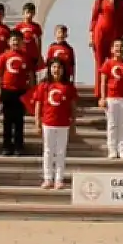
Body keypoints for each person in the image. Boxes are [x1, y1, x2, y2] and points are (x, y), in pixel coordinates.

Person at [34, 59, 78, 189]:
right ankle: (48, 178)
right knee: (48, 151)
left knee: (60, 152)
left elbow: (73, 106)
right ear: (50, 69)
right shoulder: (44, 85)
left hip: (63, 123)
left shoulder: (68, 87)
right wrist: (37, 122)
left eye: (59, 67)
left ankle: (59, 178)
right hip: (48, 122)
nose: (56, 70)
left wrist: (73, 123)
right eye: (53, 67)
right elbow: (38, 104)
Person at [89, 0, 123, 98]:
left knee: (113, 63)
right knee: (100, 63)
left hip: (115, 35)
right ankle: (99, 93)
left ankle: (112, 91)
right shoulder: (99, 0)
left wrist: (122, 37)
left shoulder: (120, 1)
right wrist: (91, 36)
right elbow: (94, 18)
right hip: (100, 34)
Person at [98, 37, 123, 159]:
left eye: (121, 46)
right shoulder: (108, 63)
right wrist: (103, 98)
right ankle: (112, 149)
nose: (118, 48)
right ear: (111, 49)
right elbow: (103, 82)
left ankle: (122, 149)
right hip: (111, 98)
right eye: (116, 46)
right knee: (112, 124)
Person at [0, 30, 32, 156]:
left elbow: (31, 76)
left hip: (21, 92)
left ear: (22, 42)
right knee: (7, 121)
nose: (16, 42)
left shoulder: (26, 56)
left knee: (19, 121)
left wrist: (31, 93)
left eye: (18, 40)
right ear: (9, 42)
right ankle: (6, 146)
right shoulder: (4, 56)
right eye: (13, 40)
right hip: (7, 91)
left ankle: (19, 146)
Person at [15, 2, 44, 78]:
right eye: (27, 12)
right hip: (22, 55)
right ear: (23, 13)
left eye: (31, 12)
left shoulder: (36, 26)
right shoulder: (19, 27)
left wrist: (39, 56)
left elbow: (39, 41)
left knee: (32, 76)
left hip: (33, 55)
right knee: (21, 75)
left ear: (34, 14)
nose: (29, 15)